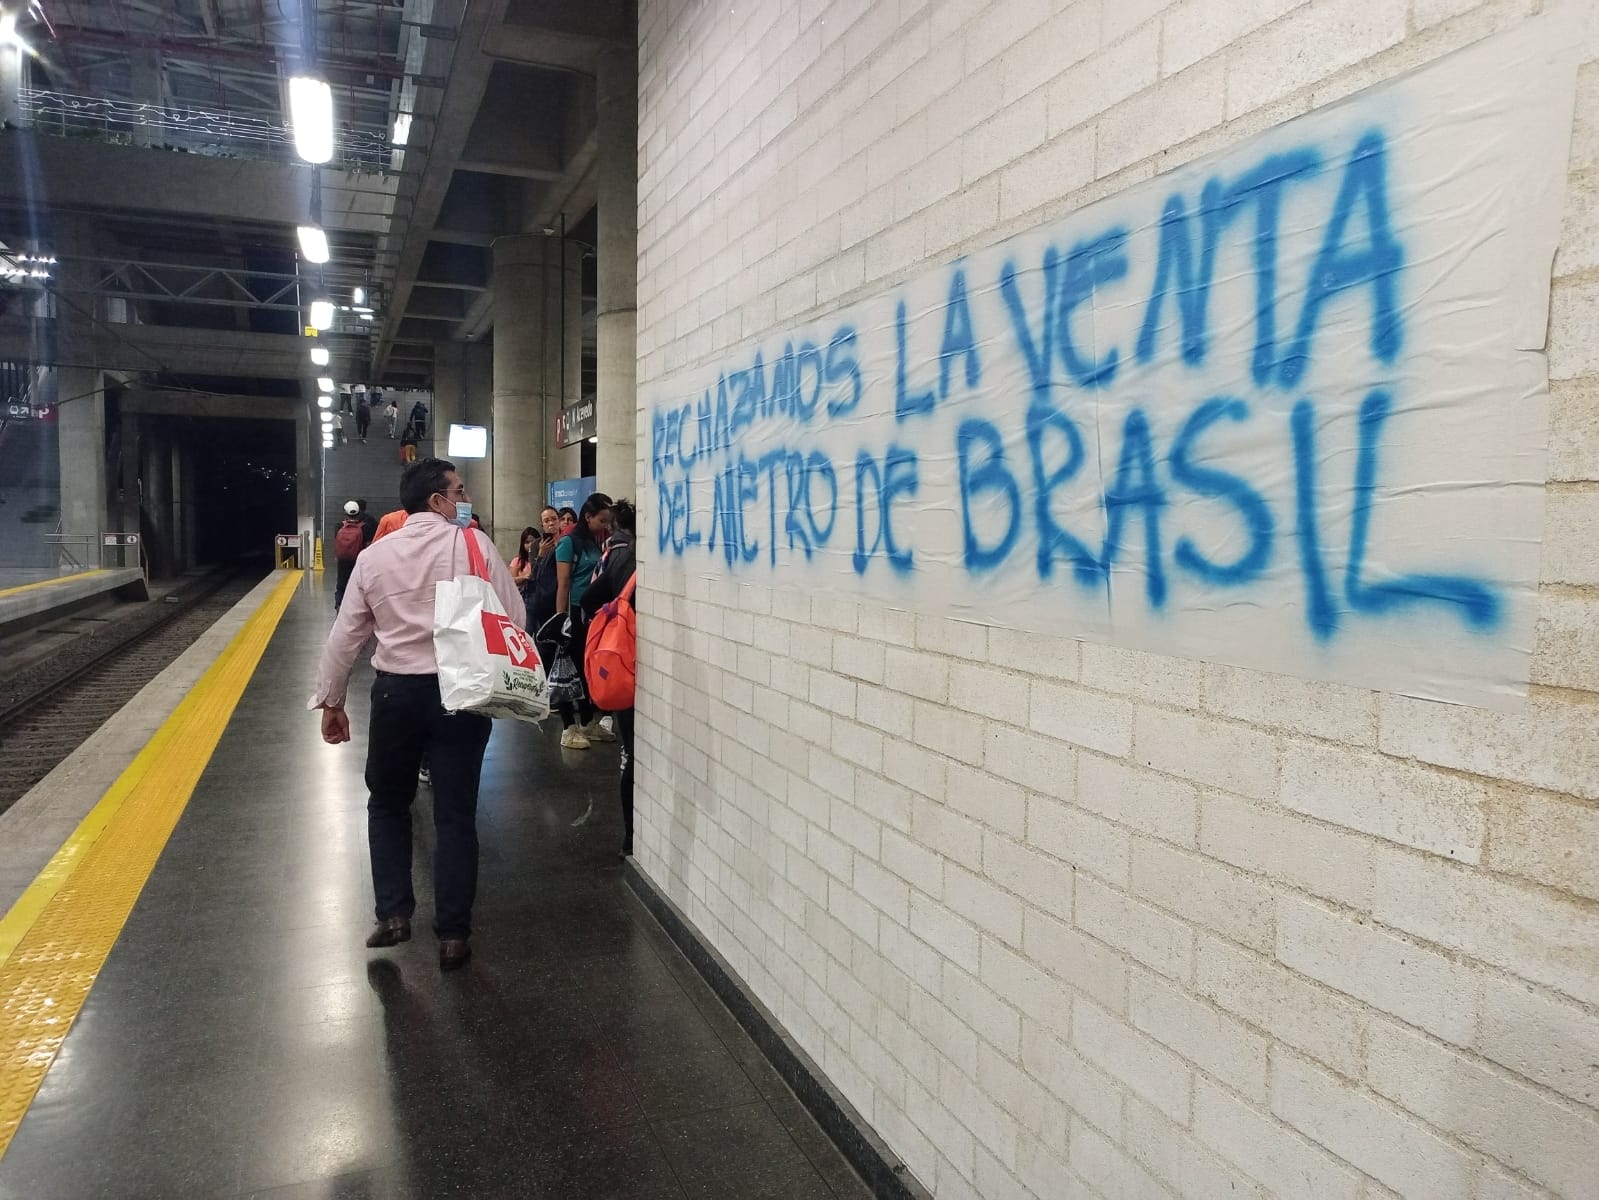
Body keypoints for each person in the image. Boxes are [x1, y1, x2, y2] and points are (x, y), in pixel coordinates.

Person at [310, 457, 523, 971]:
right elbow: (515, 617)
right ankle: (453, 935)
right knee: (454, 814)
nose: (464, 498)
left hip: (396, 695)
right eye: (460, 490)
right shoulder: (474, 545)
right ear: (437, 500)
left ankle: (393, 915)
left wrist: (332, 702)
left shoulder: (375, 557)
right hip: (461, 691)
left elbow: (346, 638)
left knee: (387, 803)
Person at [581, 499, 636, 858]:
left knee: (632, 754)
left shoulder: (617, 556)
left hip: (624, 667)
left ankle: (631, 838)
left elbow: (588, 598)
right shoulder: (643, 556)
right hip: (651, 668)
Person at [547, 493, 614, 749]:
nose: (605, 525)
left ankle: (587, 721)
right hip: (572, 613)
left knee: (585, 670)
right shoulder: (569, 543)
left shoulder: (593, 542)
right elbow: (563, 583)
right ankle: (568, 727)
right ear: (588, 517)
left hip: (590, 614)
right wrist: (561, 618)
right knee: (567, 669)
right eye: (602, 520)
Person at [332, 500, 366, 610]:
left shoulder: (339, 526)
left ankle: (338, 604)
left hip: (342, 560)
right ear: (358, 512)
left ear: (345, 513)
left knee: (341, 584)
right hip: (358, 560)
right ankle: (354, 607)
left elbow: (336, 541)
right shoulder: (365, 527)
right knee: (357, 584)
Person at [511, 525, 539, 615]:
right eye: (527, 542)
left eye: (533, 541)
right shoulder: (517, 561)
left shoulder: (542, 559)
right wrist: (525, 577)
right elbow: (511, 581)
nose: (530, 545)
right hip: (522, 599)